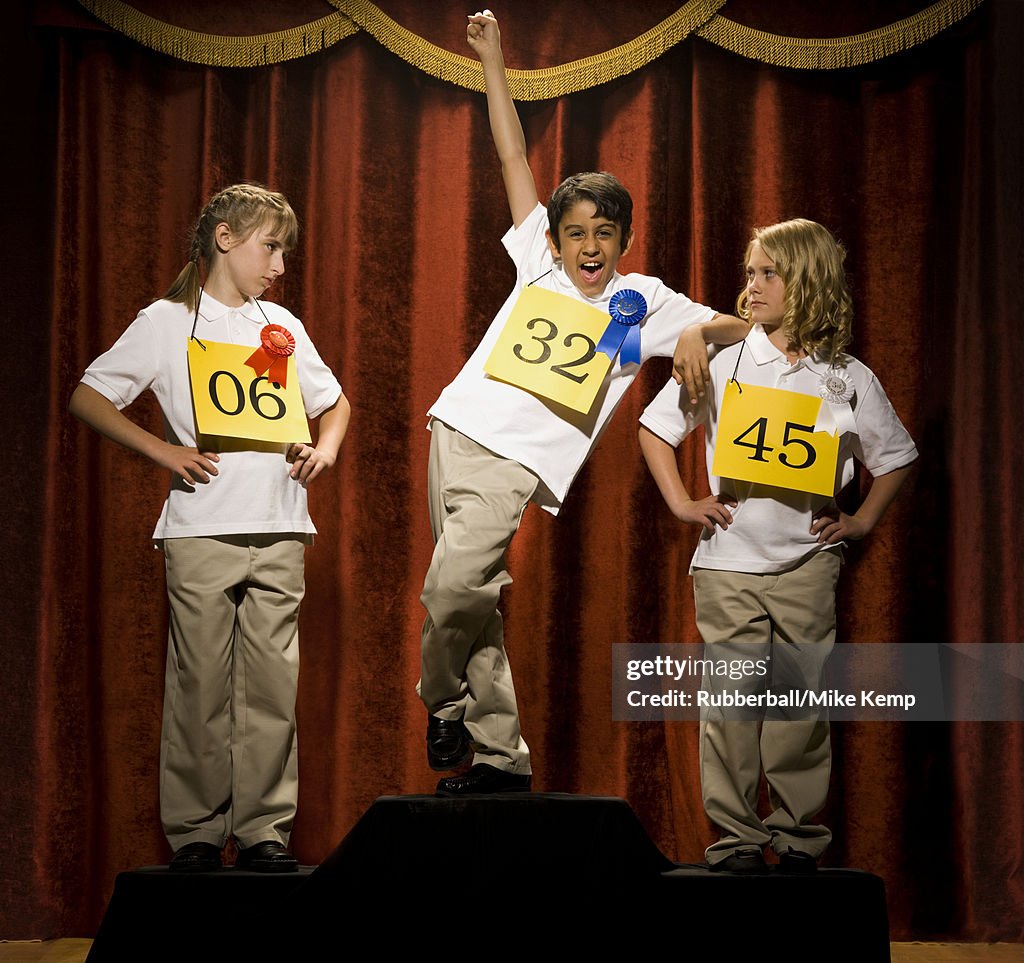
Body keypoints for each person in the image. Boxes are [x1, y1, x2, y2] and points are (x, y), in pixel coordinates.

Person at [418, 9, 749, 796]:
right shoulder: (535, 261)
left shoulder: (645, 298)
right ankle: (502, 761)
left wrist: (703, 335)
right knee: (477, 607)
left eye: (604, 232)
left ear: (624, 240)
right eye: (575, 232)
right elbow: (508, 152)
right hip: (455, 429)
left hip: (518, 463)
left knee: (452, 589)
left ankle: (441, 701)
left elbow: (745, 324)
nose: (588, 246)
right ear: (557, 239)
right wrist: (493, 60)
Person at [69, 183, 350, 872]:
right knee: (199, 681)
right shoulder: (166, 321)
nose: (279, 265)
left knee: (271, 688)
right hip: (200, 528)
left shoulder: (278, 325)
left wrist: (327, 447)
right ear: (225, 238)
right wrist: (164, 451)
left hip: (282, 524)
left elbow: (335, 402)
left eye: (284, 250)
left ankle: (262, 830)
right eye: (270, 247)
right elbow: (88, 394)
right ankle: (196, 829)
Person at [638, 218, 917, 873]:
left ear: (807, 280)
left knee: (799, 706)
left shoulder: (845, 377)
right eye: (749, 273)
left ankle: (795, 837)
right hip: (727, 564)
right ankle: (735, 840)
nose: (752, 286)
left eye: (768, 273)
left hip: (807, 564)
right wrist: (682, 502)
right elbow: (657, 430)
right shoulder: (727, 361)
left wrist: (863, 519)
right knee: (730, 708)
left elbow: (897, 455)